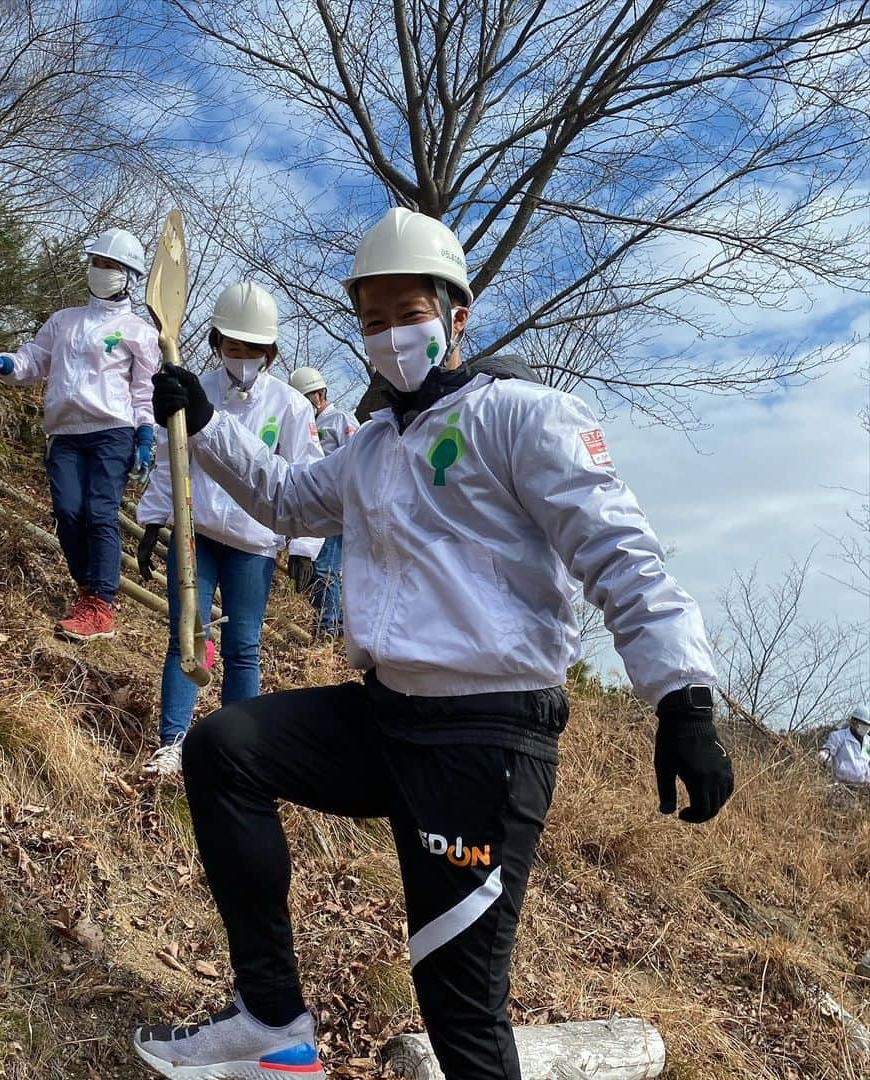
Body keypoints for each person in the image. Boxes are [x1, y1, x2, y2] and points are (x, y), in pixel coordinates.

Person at [132, 208, 735, 1080]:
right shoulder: (374, 444)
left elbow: (620, 551)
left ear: (457, 315)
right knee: (225, 751)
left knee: (457, 1007)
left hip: (484, 741)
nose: (387, 334)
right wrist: (207, 420)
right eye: (370, 318)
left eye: (406, 311)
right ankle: (272, 1024)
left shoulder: (527, 417)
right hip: (384, 720)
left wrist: (684, 695)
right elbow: (290, 500)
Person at [136, 282, 323, 776]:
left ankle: (236, 749)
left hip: (254, 543)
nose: (242, 358)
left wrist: (303, 547)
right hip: (197, 535)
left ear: (270, 353)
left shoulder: (290, 407)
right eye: (233, 347)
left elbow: (306, 476)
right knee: (185, 637)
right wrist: (155, 518)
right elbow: (168, 458)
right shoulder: (193, 390)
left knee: (242, 647)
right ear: (217, 343)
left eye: (253, 349)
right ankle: (172, 742)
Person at [0, 227, 158, 642]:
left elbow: (144, 390)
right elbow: (33, 360)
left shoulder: (139, 332)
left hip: (113, 431)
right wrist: (6, 364)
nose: (101, 270)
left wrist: (147, 433)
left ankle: (102, 602)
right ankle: (88, 590)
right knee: (67, 512)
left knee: (100, 513)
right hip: (63, 432)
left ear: (129, 276)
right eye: (97, 262)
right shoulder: (64, 321)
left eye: (111, 265)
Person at [287, 367, 357, 637]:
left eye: (307, 398)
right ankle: (332, 625)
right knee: (317, 568)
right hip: (312, 503)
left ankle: (329, 627)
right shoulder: (303, 424)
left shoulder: (340, 419)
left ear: (319, 393)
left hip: (338, 503)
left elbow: (357, 456)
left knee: (325, 567)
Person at [819, 705, 870, 787]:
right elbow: (827, 752)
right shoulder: (839, 737)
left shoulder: (868, 742)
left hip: (864, 788)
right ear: (853, 722)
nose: (866, 728)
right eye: (864, 724)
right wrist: (823, 757)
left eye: (868, 725)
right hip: (843, 787)